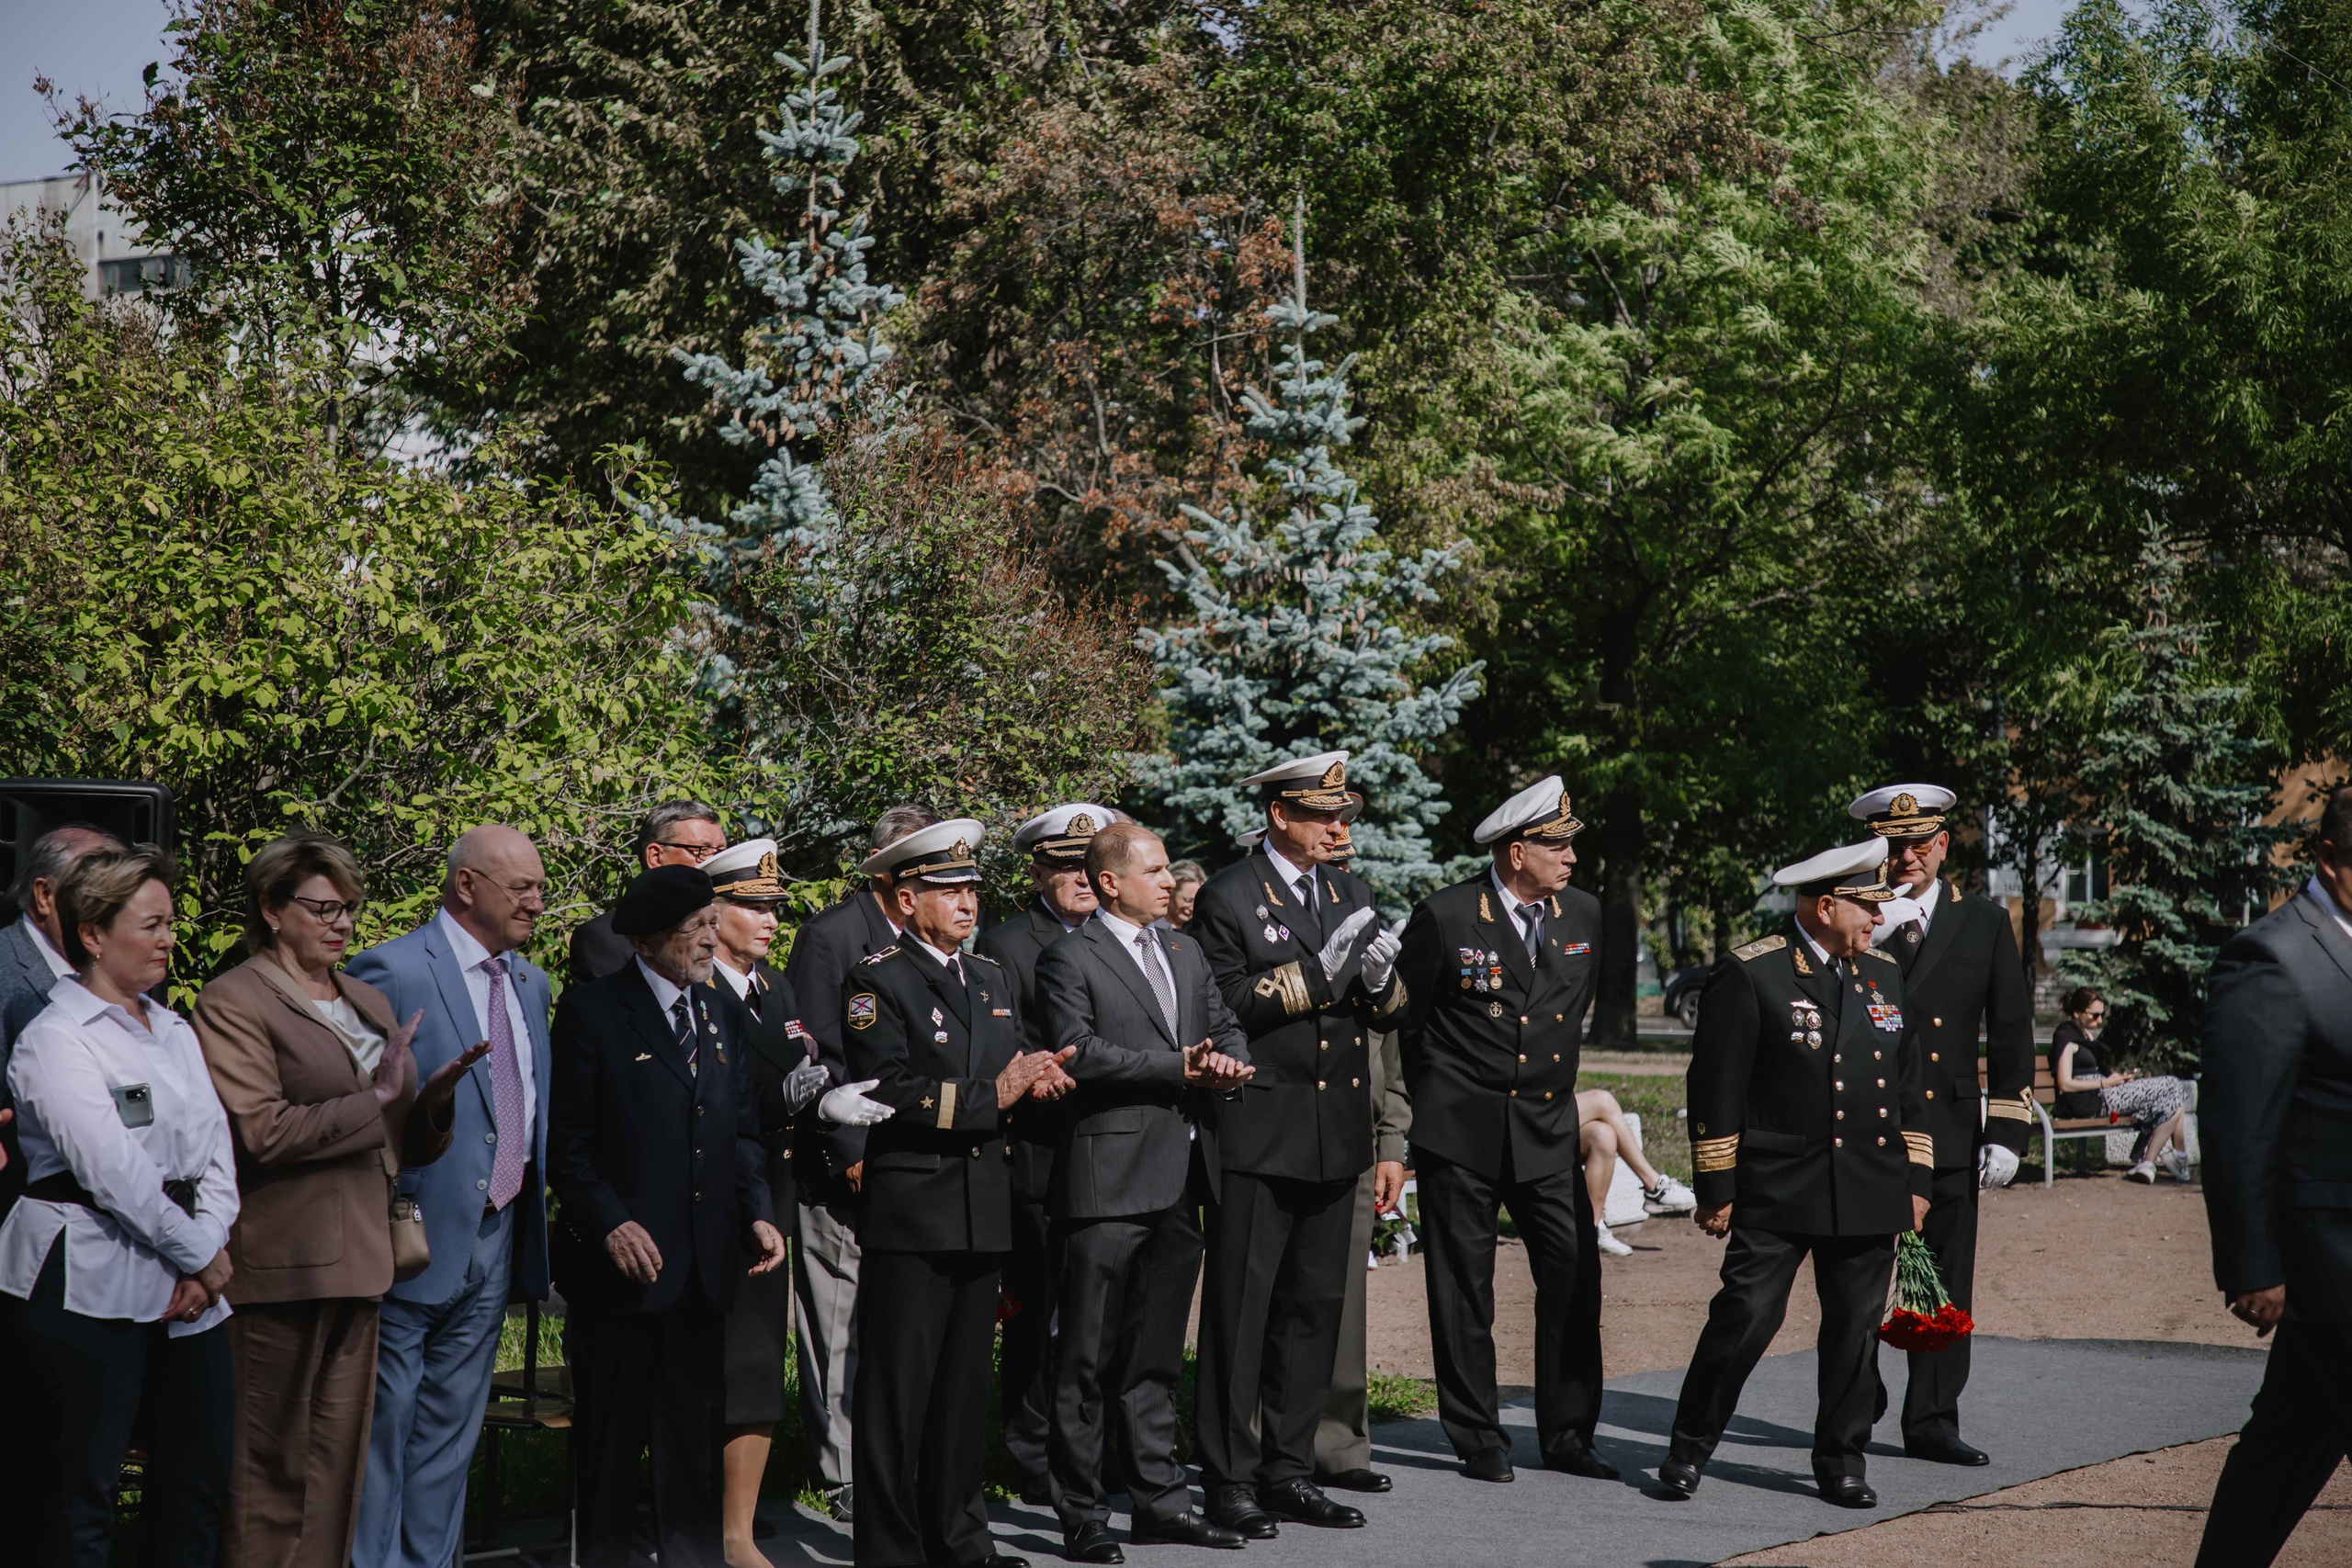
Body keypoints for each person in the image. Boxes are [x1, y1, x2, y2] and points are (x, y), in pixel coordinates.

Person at [194, 832, 484, 1568]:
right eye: (322, 907)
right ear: (271, 907)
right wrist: (381, 1096)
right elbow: (262, 1131)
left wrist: (431, 1105)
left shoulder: (364, 997)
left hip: (364, 1261)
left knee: (336, 1473)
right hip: (280, 1264)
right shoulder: (233, 1000)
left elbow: (395, 1141)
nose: (342, 923)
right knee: (270, 1471)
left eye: (350, 908)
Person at [1657, 839, 1931, 1509]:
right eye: (1868, 905)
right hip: (1780, 1181)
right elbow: (1716, 1084)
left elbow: (1910, 1085)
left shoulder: (1883, 973)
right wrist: (1717, 1186)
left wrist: (1917, 1180)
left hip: (1868, 1181)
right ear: (1827, 903)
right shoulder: (1754, 971)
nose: (1878, 917)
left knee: (1855, 1328)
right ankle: (1689, 1446)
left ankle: (1842, 1457)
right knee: (1746, 1314)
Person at [837, 818, 1073, 1568]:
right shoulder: (876, 979)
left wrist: (1036, 1081)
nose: (968, 901)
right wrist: (992, 1096)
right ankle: (890, 1549)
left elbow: (1003, 1073)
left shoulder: (990, 978)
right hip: (914, 1212)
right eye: (947, 889)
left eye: (971, 887)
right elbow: (889, 1089)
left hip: (981, 1208)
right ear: (906, 899)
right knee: (897, 1396)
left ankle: (960, 1541)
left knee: (963, 1393)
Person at [0, 843, 239, 1568]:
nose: (169, 938)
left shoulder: (173, 1029)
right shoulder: (52, 1038)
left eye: (170, 922)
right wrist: (202, 1254)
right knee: (80, 1492)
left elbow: (216, 1153)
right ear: (94, 934)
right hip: (85, 1283)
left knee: (198, 1481)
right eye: (151, 923)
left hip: (192, 1290)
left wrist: (207, 1255)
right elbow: (114, 1171)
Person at [1187, 750, 1402, 1536]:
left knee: (1314, 1310)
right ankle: (1228, 1475)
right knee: (1241, 1317)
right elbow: (1226, 1004)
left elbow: (1385, 1008)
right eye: (1323, 814)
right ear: (1281, 814)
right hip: (1260, 1129)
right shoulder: (1229, 895)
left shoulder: (1352, 887)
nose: (1338, 827)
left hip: (1333, 1132)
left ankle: (1289, 1467)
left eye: (1343, 815)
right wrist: (1319, 972)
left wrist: (1379, 982)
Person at [549, 865, 787, 1568]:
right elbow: (568, 1146)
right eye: (698, 929)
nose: (713, 939)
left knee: (690, 1453)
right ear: (650, 938)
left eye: (714, 924)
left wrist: (758, 1212)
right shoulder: (594, 1011)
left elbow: (741, 1130)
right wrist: (611, 1222)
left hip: (701, 1275)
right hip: (621, 1275)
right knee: (611, 1451)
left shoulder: (718, 1012)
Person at [1036, 822, 1253, 1562]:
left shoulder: (1184, 950)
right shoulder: (1069, 955)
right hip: (1106, 1184)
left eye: (1168, 870)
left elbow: (1223, 1024)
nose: (1170, 882)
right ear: (1108, 883)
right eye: (1155, 871)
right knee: (1086, 1358)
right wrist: (1179, 1069)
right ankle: (1083, 1511)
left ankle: (1159, 1500)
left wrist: (1230, 1064)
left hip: (1181, 1178)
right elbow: (1080, 1049)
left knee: (1156, 1355)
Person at [347, 825, 558, 1568]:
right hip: (406, 1241)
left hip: (493, 1236)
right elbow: (353, 1110)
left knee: (449, 1434)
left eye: (540, 885)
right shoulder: (393, 969)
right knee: (382, 1428)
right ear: (466, 885)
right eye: (522, 888)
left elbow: (525, 1108)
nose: (538, 900)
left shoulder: (531, 981)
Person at [1392, 776, 1611, 1484]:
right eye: (1558, 844)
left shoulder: (1584, 914)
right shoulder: (1449, 914)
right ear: (1518, 851)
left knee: (1575, 1274)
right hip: (1462, 1131)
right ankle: (1477, 1433)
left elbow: (1567, 1014)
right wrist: (1420, 1118)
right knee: (1464, 1287)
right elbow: (1406, 1024)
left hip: (1546, 1128)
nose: (1571, 856)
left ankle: (1570, 1433)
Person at [1848, 784, 2035, 1464]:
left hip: (1951, 1123)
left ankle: (1930, 1416)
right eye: (1894, 847)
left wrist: (2009, 1129)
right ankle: (1856, 1394)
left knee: (1942, 1278)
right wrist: (1875, 932)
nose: (1905, 859)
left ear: (1943, 845)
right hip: (1872, 1124)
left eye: (1918, 845)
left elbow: (2011, 1027)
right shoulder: (1857, 916)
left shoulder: (1982, 919)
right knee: (1860, 1276)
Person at [2193, 783, 2352, 1568]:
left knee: (2285, 1448)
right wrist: (2252, 1265)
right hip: (2330, 1261)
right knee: (2287, 1444)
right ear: (2331, 860)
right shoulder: (2273, 955)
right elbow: (2238, 1126)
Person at [781, 802, 939, 1521]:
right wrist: (848, 1153)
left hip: (920, 1167)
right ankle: (844, 1469)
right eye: (923, 863)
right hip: (848, 1161)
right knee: (838, 1317)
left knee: (899, 1321)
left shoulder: (930, 938)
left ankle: (899, 1459)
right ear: (888, 869)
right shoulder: (834, 935)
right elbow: (817, 1053)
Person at [975, 803, 1107, 1505]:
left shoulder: (1122, 935)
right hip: (1040, 1147)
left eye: (1090, 864)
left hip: (1111, 1148)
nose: (1082, 877)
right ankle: (1031, 1455)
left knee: (1096, 1308)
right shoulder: (1006, 943)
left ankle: (1087, 1445)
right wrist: (1038, 1068)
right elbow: (1004, 1037)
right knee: (1036, 1309)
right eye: (1065, 865)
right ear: (1037, 870)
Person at [704, 839, 830, 1568]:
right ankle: (692, 1516)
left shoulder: (774, 988)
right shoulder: (693, 987)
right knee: (703, 1363)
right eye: (752, 906)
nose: (768, 919)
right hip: (711, 1196)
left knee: (755, 1362)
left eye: (773, 907)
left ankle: (738, 1530)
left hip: (770, 1194)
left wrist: (820, 1099)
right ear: (712, 911)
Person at [0, 824, 123, 1551]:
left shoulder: (111, 974)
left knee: (71, 1471)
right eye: (99, 879)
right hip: (17, 1249)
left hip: (90, 1266)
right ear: (45, 894)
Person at [1312, 790, 1411, 1496]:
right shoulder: (1278, 922)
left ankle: (1341, 1444)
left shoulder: (1363, 914)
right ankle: (1268, 1442)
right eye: (1332, 840)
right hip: (1292, 1128)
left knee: (1345, 1303)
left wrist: (1392, 1139)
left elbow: (1389, 1046)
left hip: (1358, 1129)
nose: (1343, 849)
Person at [568, 801, 729, 987]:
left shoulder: (731, 931)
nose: (717, 863)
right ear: (655, 857)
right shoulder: (606, 940)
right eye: (703, 851)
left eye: (720, 852)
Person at [2052, 985, 2193, 1184]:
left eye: (2102, 1015)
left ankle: (2148, 1165)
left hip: (2105, 1092)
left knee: (2174, 1100)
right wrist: (2105, 1082)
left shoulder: (2086, 1036)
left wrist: (2118, 1079)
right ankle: (2179, 1157)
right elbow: (2065, 1084)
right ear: (2077, 1012)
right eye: (2094, 1015)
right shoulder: (2065, 1036)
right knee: (2173, 1083)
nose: (2099, 1020)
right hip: (2091, 1100)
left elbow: (2101, 1070)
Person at [1577, 1088, 1697, 1258]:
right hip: (1531, 1115)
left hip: (1550, 1110)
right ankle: (1654, 1187)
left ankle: (1592, 1229)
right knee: (1602, 1100)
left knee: (1603, 1136)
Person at [1169, 862, 1208, 931]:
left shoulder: (1198, 931)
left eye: (1197, 902)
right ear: (1170, 892)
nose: (1192, 908)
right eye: (1188, 900)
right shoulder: (1151, 930)